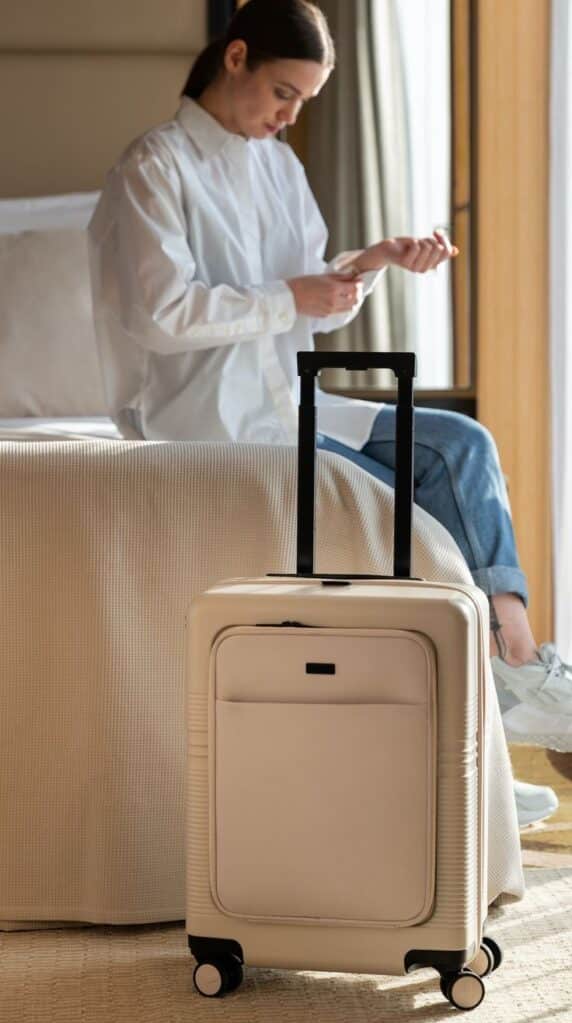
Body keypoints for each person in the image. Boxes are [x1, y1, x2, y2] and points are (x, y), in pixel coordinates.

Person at [88, 0, 570, 826]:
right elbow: (160, 315)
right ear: (235, 58)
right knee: (418, 496)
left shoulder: (278, 167)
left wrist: (371, 262)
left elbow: (310, 298)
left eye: (305, 101)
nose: (290, 116)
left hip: (293, 405)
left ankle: (513, 670)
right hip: (207, 422)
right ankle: (497, 718)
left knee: (459, 445)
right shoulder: (154, 167)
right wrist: (292, 296)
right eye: (284, 92)